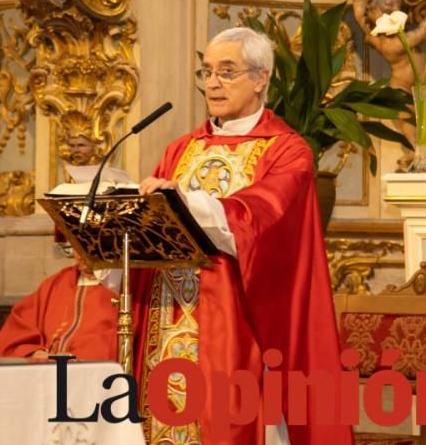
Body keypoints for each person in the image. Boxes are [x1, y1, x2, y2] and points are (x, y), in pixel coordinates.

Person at [135, 27, 352, 445]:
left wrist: (183, 201)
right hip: (170, 312)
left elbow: (262, 217)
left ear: (260, 78)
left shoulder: (288, 150)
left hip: (237, 315)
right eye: (207, 72)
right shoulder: (181, 149)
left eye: (227, 72)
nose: (213, 83)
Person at [0, 254, 118, 361]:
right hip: (45, 376)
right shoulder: (56, 283)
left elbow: (112, 346)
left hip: (91, 378)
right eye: (74, 247)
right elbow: (16, 333)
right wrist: (33, 352)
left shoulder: (120, 286)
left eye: (82, 247)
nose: (77, 256)